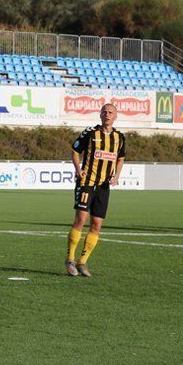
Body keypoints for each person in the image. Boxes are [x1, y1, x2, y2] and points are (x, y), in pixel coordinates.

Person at [65, 104, 125, 277]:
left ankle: (82, 262)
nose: (107, 115)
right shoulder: (90, 133)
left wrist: (117, 175)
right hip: (86, 182)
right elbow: (75, 151)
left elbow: (121, 158)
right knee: (81, 219)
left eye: (111, 112)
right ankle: (70, 259)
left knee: (97, 224)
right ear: (100, 115)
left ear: (115, 116)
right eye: (105, 112)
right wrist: (78, 169)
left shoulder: (119, 137)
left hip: (104, 186)